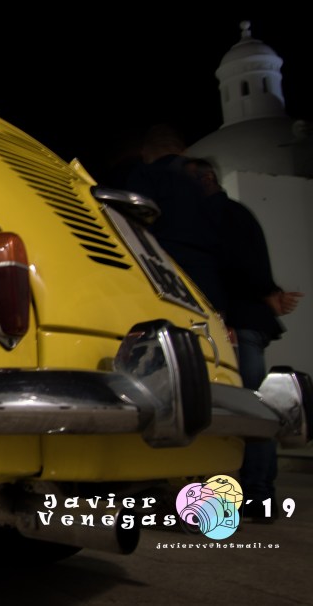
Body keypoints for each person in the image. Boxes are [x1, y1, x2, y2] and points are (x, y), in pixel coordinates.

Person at [183, 157, 303, 522]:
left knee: (245, 410)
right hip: (248, 321)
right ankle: (259, 494)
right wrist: (269, 292)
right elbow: (250, 265)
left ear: (206, 178)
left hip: (235, 322)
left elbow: (234, 266)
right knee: (253, 409)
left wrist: (264, 293)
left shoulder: (214, 214)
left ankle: (255, 494)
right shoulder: (237, 213)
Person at [124, 124, 226, 311]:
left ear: (145, 152)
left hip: (166, 274)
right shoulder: (203, 179)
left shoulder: (144, 175)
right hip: (209, 275)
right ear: (184, 151)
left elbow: (137, 226)